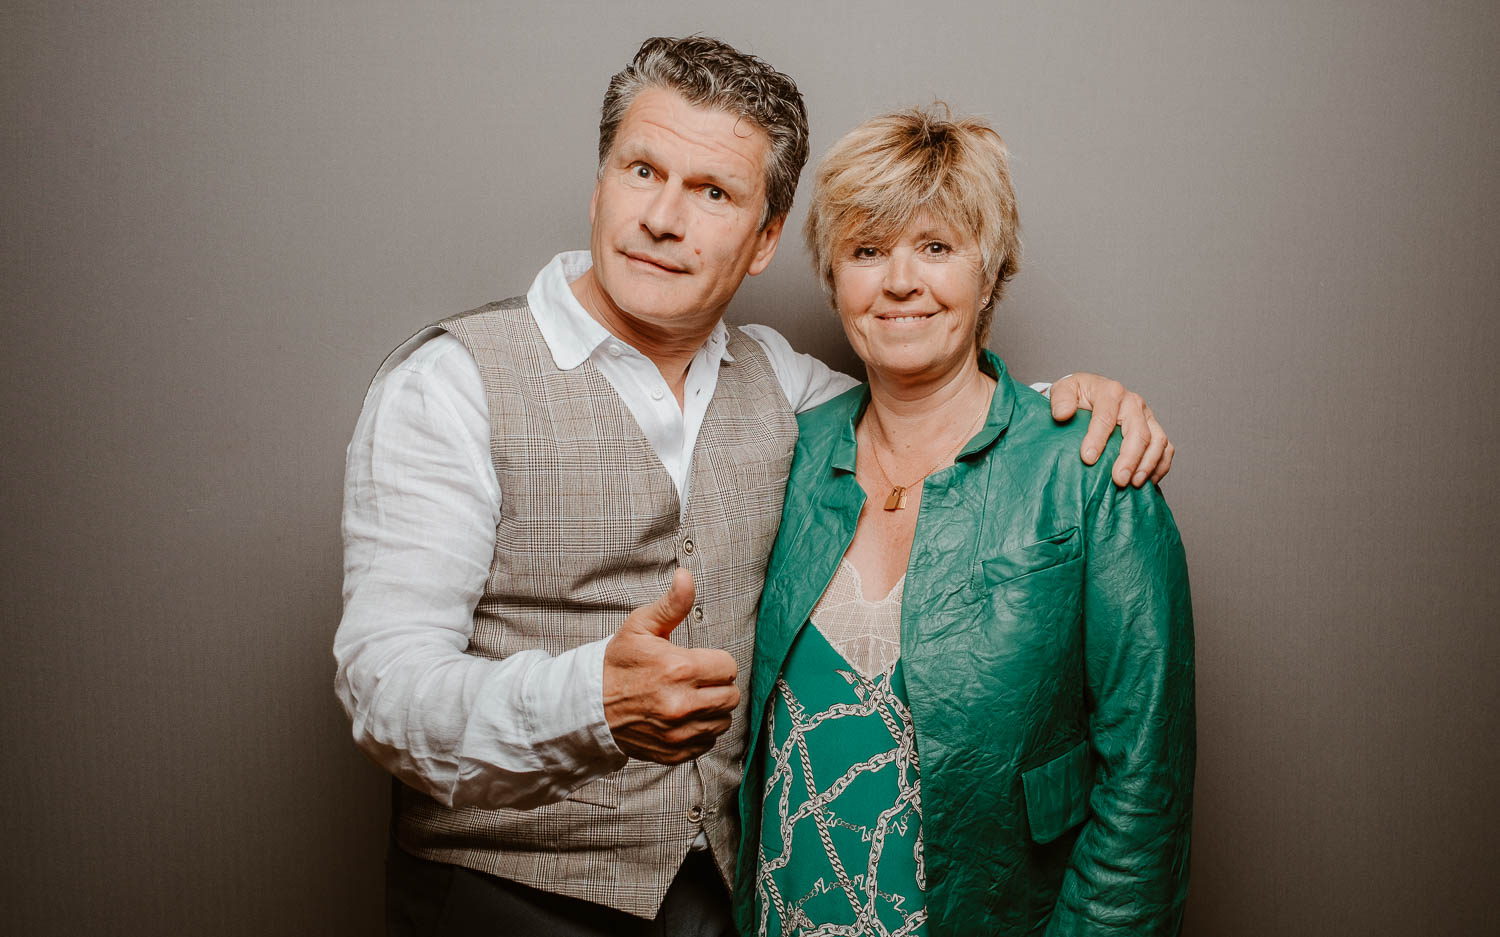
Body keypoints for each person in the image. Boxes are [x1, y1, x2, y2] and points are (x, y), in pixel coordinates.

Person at [335, 37, 1175, 935]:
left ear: (766, 237)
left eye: (713, 193)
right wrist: (593, 702)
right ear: (599, 183)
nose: (664, 218)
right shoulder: (452, 384)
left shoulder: (777, 382)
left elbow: (926, 403)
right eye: (642, 169)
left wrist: (1073, 410)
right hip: (504, 900)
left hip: (725, 901)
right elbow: (386, 688)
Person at [733, 107, 1194, 937]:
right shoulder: (787, 459)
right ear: (835, 276)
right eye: (867, 250)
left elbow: (1144, 787)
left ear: (991, 272)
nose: (900, 281)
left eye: (936, 247)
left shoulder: (1090, 470)